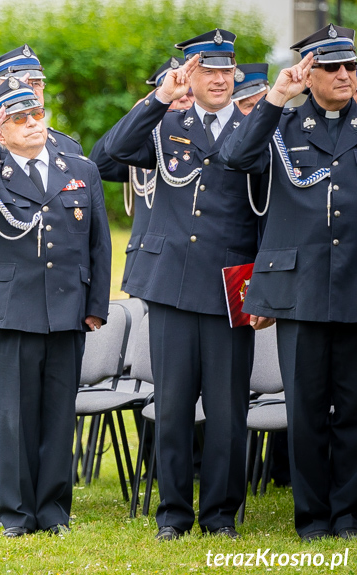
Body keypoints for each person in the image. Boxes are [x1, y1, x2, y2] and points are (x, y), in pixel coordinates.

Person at [106, 29, 263, 540]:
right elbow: (110, 157)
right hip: (171, 282)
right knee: (172, 405)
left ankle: (220, 515)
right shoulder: (166, 122)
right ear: (188, 76)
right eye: (208, 70)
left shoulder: (252, 126)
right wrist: (158, 98)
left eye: (226, 71)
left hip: (229, 283)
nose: (219, 80)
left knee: (227, 407)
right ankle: (173, 513)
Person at [0, 79, 110, 537]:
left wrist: (95, 306)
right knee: (10, 417)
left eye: (37, 114)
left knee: (57, 414)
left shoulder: (78, 168)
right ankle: (14, 513)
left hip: (64, 310)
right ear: (1, 127)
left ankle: (53, 511)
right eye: (20, 118)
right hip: (7, 309)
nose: (34, 123)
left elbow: (98, 243)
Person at [220, 24, 357, 542]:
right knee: (304, 412)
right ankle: (314, 518)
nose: (344, 75)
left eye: (351, 66)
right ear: (308, 73)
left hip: (353, 285)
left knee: (352, 409)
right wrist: (277, 96)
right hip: (299, 289)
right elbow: (236, 158)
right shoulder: (282, 123)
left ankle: (348, 515)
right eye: (332, 67)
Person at [90, 56, 193, 292]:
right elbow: (100, 163)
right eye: (175, 95)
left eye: (189, 94)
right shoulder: (142, 143)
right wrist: (139, 114)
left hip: (187, 260)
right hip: (145, 263)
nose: (182, 100)